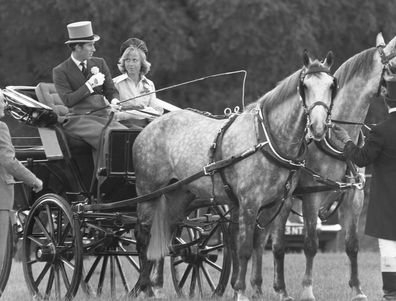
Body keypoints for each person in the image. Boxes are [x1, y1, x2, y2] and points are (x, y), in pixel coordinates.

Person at [332, 71, 396, 300]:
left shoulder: (380, 131)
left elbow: (360, 158)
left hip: (388, 203)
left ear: (387, 100)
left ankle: (391, 293)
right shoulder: (378, 132)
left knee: (390, 249)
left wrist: (346, 140)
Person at [52, 21, 126, 170]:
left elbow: (110, 89)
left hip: (102, 115)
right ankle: (105, 178)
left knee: (125, 134)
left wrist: (114, 100)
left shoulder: (99, 62)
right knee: (109, 136)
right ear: (77, 47)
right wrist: (89, 85)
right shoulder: (60, 71)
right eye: (90, 45)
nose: (94, 48)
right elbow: (68, 101)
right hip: (78, 118)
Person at [0, 91, 43, 287]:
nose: (4, 106)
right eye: (2, 102)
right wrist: (33, 179)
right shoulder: (1, 127)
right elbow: (8, 161)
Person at [113, 37, 164, 129]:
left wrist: (156, 113)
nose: (130, 64)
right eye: (127, 60)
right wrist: (136, 113)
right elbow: (113, 114)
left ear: (142, 63)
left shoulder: (149, 84)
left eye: (134, 60)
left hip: (146, 129)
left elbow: (155, 110)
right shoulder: (115, 83)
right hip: (123, 128)